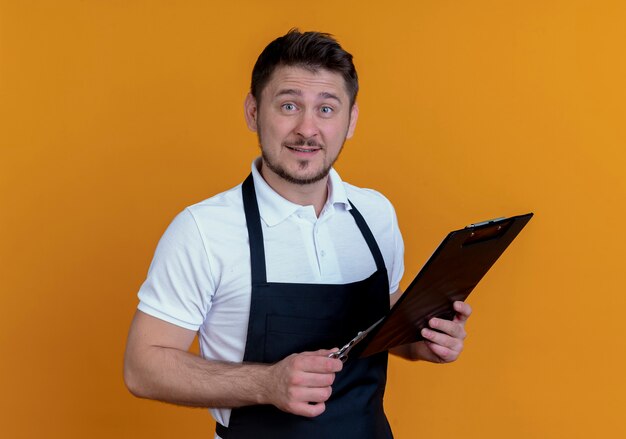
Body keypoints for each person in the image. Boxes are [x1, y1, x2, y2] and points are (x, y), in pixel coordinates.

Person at [123, 29, 472, 439]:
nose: (307, 129)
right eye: (289, 105)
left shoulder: (375, 213)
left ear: (351, 119)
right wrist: (266, 383)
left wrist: (423, 341)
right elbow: (142, 367)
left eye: (327, 108)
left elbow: (385, 329)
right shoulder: (203, 229)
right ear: (253, 111)